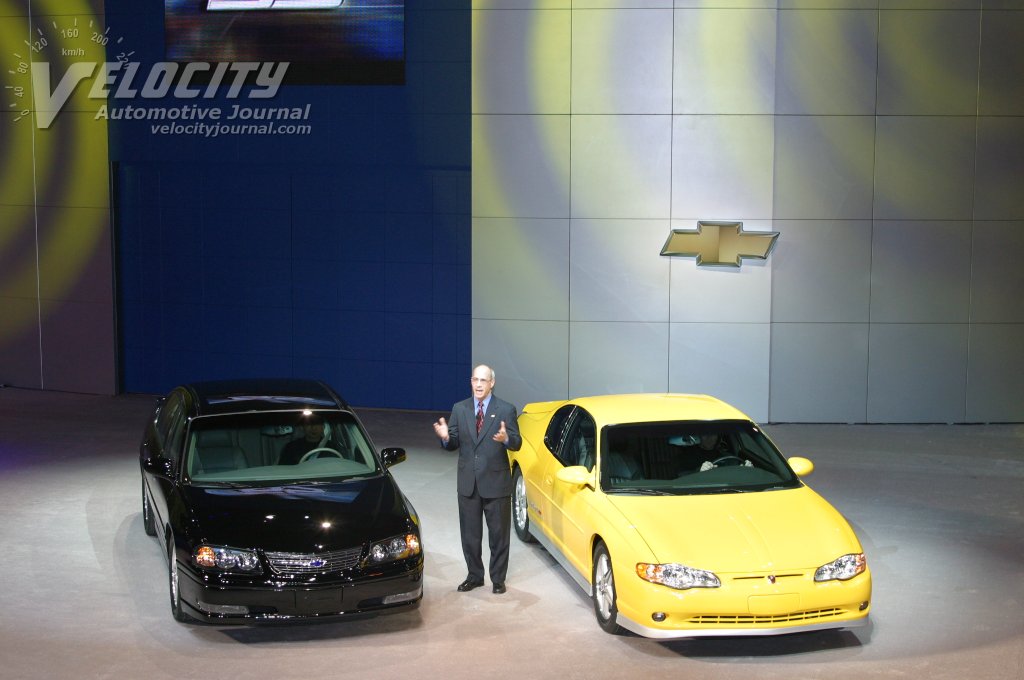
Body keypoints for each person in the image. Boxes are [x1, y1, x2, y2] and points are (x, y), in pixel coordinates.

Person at [433, 364, 521, 595]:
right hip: (468, 483)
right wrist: (445, 437)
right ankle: (474, 576)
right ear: (471, 382)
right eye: (475, 380)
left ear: (492, 383)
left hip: (496, 484)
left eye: (483, 380)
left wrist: (506, 439)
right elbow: (452, 443)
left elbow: (517, 442)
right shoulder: (460, 408)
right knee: (470, 537)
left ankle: (498, 579)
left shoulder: (506, 409)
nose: (479, 384)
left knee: (499, 536)